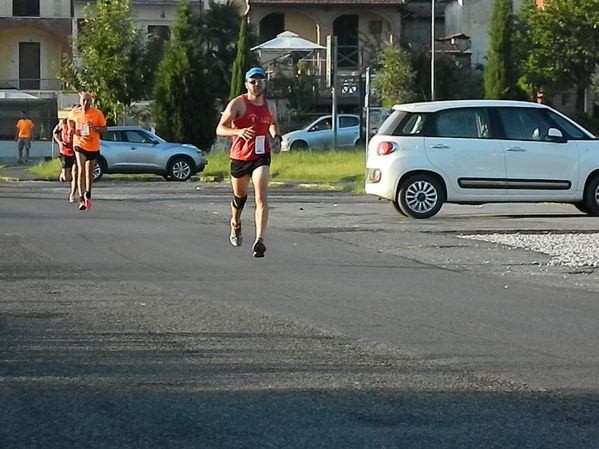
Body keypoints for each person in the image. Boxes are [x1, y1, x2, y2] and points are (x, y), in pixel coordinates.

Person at [216, 67, 281, 258]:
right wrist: (238, 132)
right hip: (240, 157)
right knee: (240, 197)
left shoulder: (270, 106)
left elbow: (273, 123)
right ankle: (235, 223)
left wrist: (276, 137)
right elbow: (220, 129)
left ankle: (259, 240)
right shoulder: (237, 104)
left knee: (261, 197)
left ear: (265, 83)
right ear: (246, 84)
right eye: (253, 81)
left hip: (261, 154)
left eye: (260, 80)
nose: (257, 84)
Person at [70, 92, 107, 211]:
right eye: (84, 100)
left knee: (89, 172)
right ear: (80, 101)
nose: (86, 103)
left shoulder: (97, 113)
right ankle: (81, 199)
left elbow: (105, 129)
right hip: (79, 144)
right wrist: (72, 130)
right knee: (80, 169)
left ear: (91, 102)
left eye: (88, 101)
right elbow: (69, 122)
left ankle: (88, 195)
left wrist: (95, 128)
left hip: (93, 146)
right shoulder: (75, 112)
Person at [53, 118, 78, 202]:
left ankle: (72, 194)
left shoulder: (78, 123)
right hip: (65, 152)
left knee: (75, 174)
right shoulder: (62, 123)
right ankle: (63, 175)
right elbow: (55, 133)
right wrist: (60, 142)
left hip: (76, 151)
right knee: (66, 177)